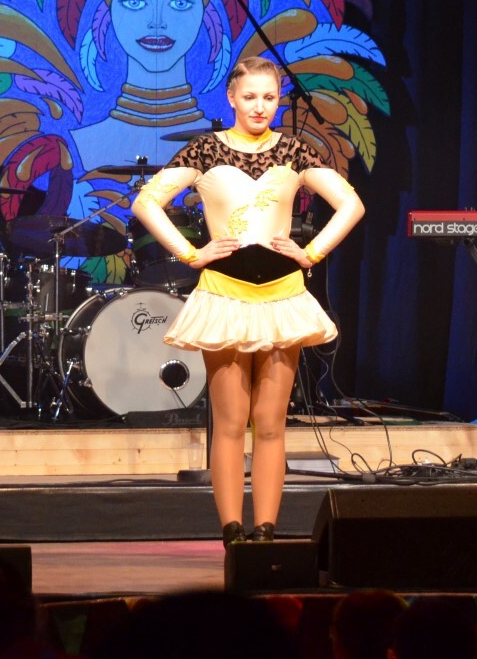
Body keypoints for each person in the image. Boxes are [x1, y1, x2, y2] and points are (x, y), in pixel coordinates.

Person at [130, 56, 365, 545]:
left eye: (270, 97)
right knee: (231, 422)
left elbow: (352, 204)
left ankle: (267, 531)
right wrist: (191, 253)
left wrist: (311, 253)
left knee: (271, 423)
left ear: (279, 100)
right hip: (225, 296)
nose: (260, 106)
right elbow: (145, 202)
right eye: (251, 96)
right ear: (232, 98)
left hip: (281, 297)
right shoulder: (205, 149)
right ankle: (233, 530)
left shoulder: (295, 150)